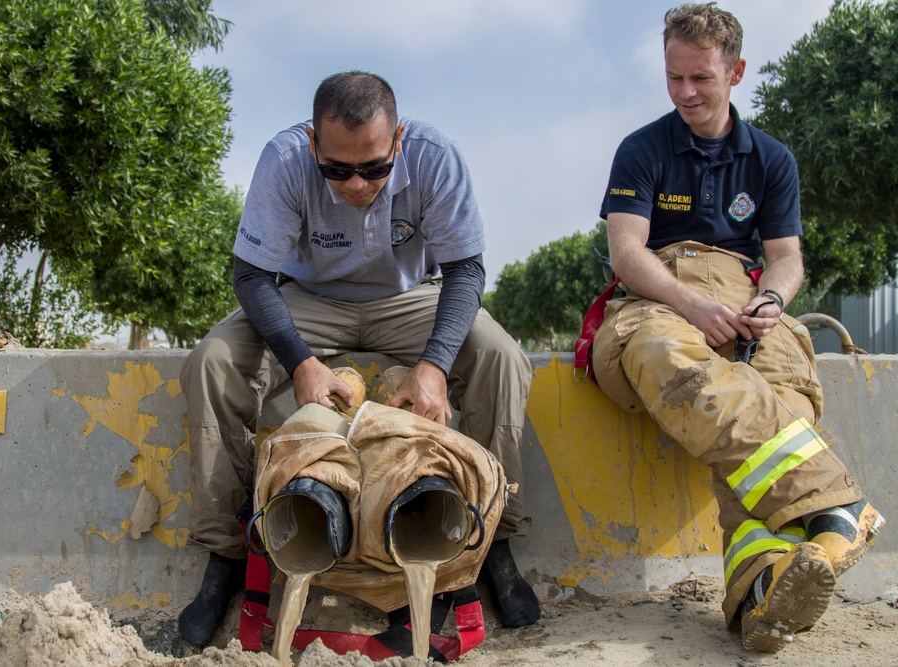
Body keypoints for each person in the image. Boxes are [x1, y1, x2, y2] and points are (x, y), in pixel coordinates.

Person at [177, 70, 540, 646]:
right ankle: (227, 553)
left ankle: (494, 540)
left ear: (398, 140)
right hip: (309, 303)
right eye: (337, 170)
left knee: (501, 356)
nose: (355, 184)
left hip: (410, 299)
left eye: (374, 168)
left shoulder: (436, 155)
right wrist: (299, 361)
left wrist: (435, 366)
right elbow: (250, 275)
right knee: (212, 363)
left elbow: (466, 271)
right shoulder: (283, 158)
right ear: (313, 144)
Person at [593, 2, 885, 653]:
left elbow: (784, 257)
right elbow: (627, 253)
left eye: (700, 78)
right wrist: (692, 305)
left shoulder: (772, 159)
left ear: (737, 71)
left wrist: (774, 301)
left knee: (785, 394)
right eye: (674, 78)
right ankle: (835, 505)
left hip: (745, 294)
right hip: (656, 295)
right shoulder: (642, 149)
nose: (686, 93)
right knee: (678, 363)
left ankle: (760, 585)